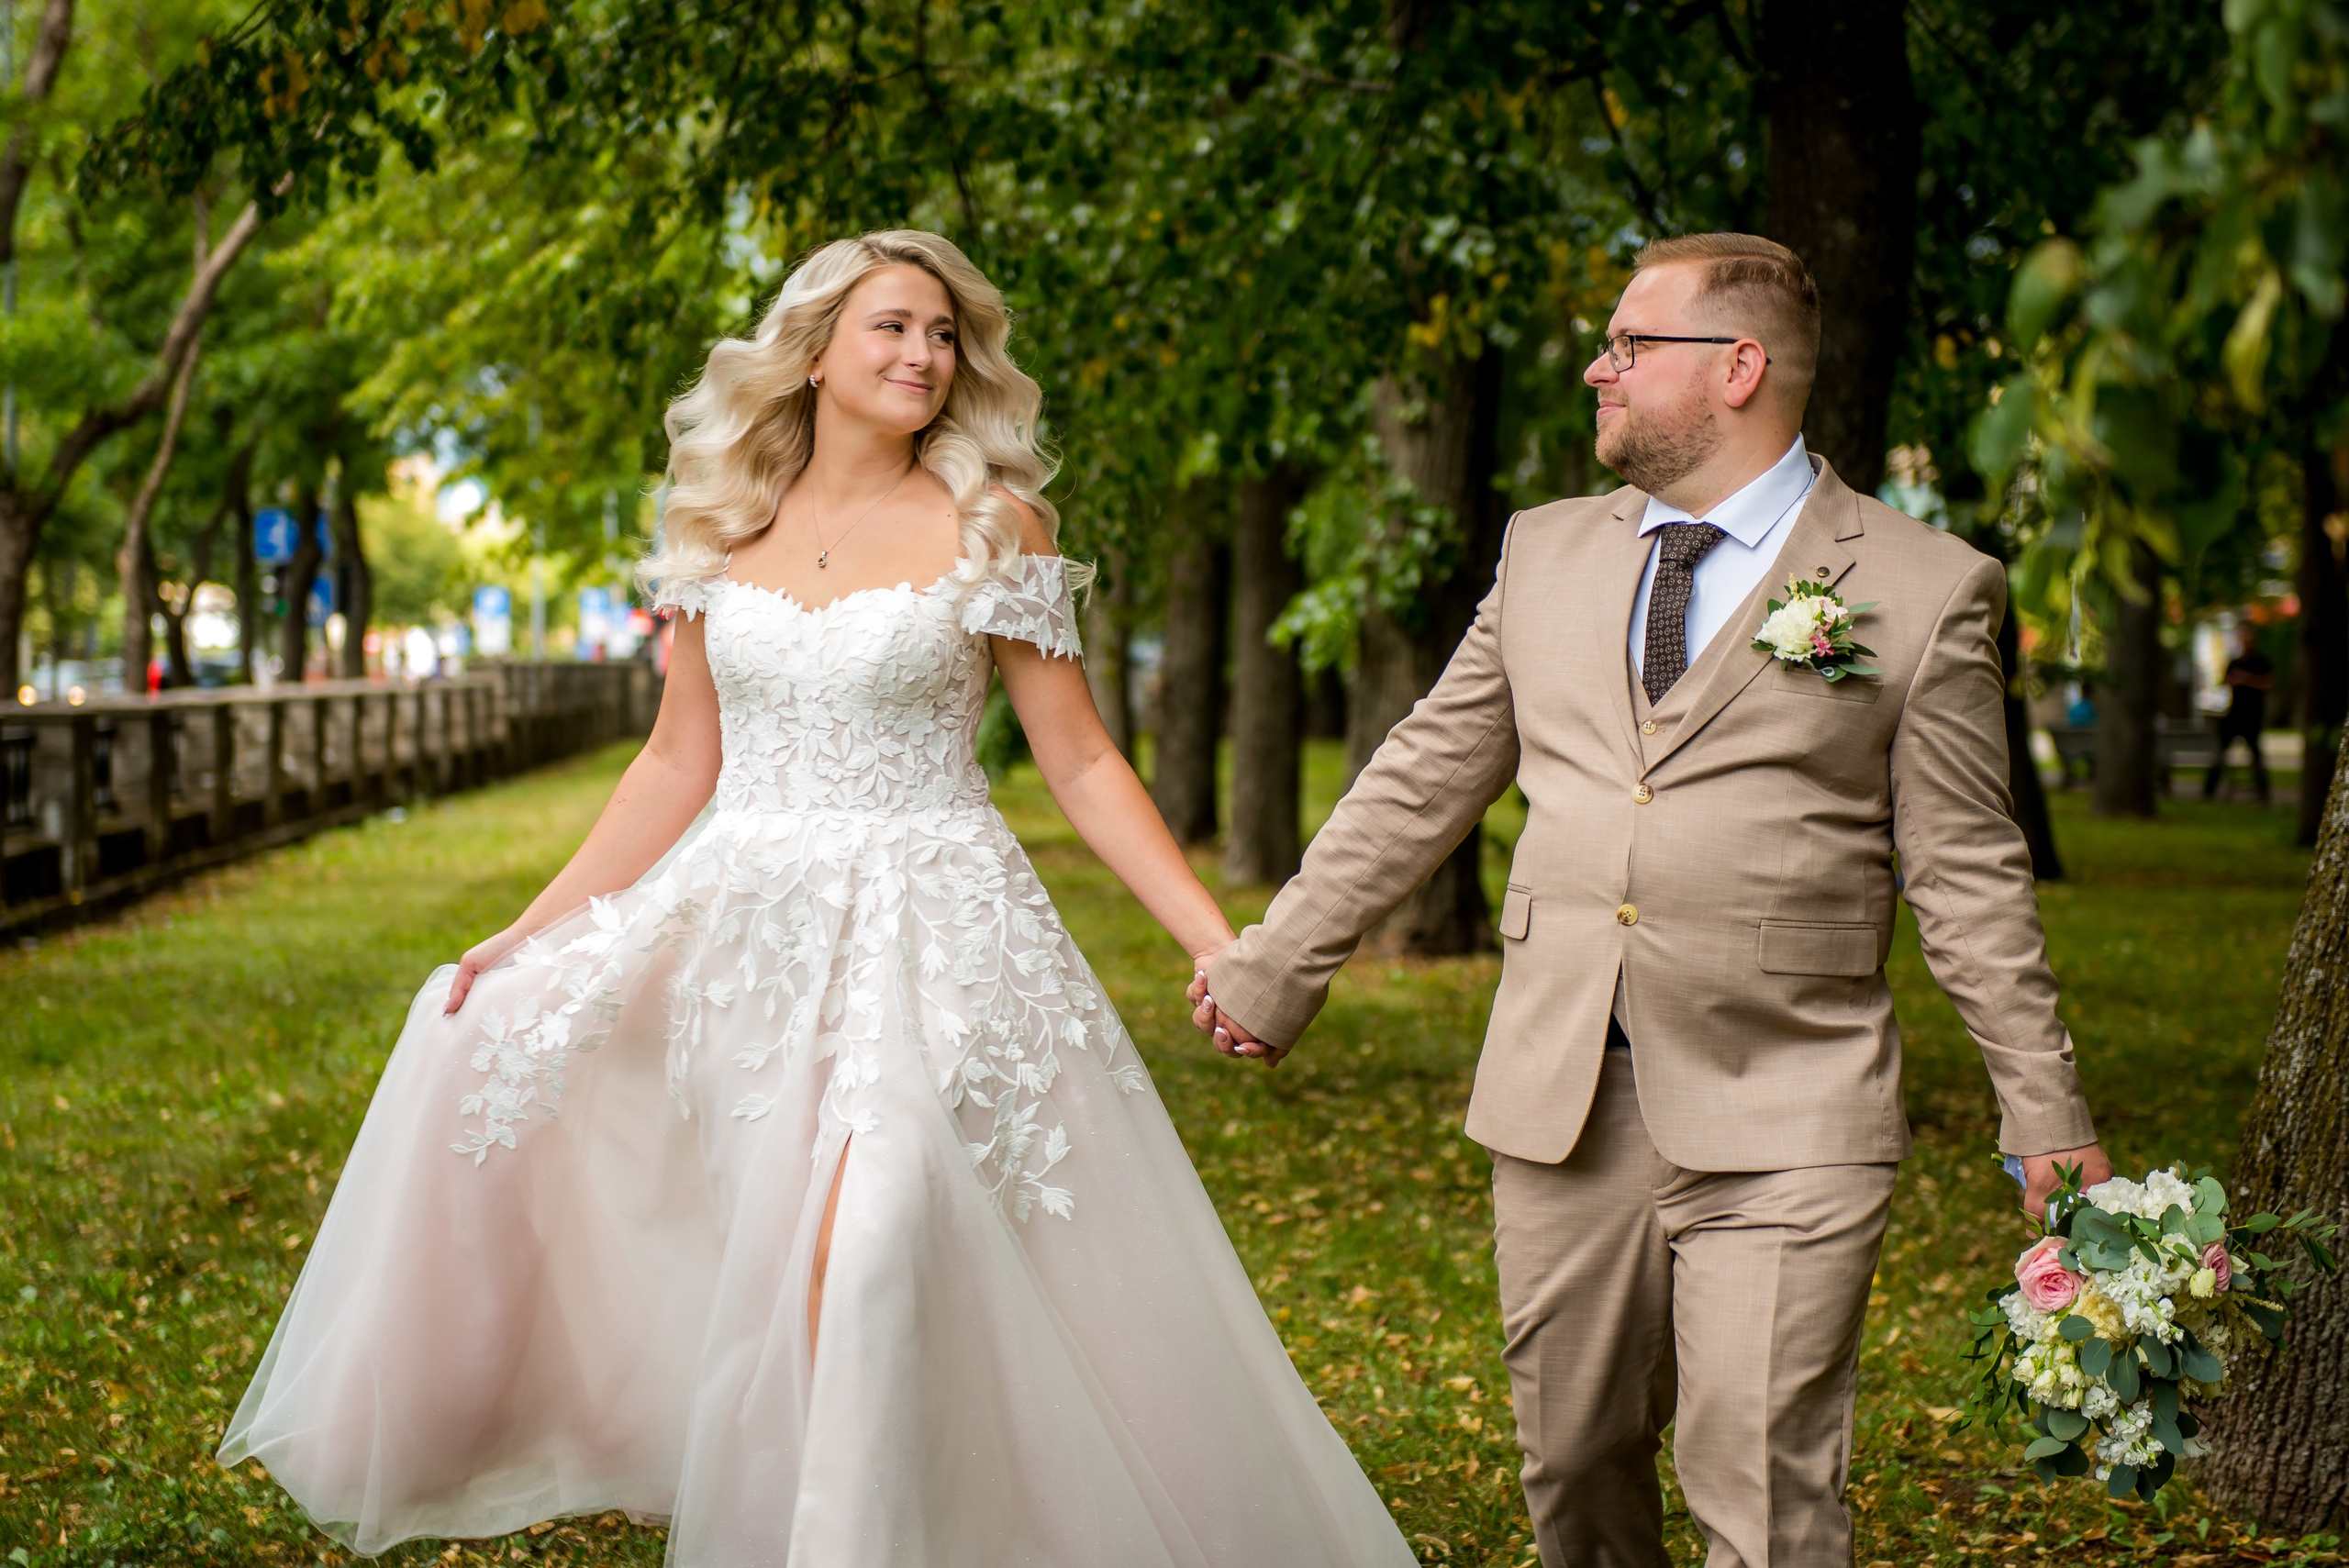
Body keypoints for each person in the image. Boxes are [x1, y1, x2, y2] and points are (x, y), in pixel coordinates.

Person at [220, 231, 1415, 1568]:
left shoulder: (993, 526)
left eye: (944, 334)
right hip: (750, 943)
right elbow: (675, 762)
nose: (925, 354)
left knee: (882, 1232)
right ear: (813, 352)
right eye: (892, 326)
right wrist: (529, 930)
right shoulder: (720, 526)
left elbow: (1079, 757)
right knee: (773, 1255)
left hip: (936, 930)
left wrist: (1224, 944)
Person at [1190, 233, 2112, 1568]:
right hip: (1562, 1095)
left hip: (1789, 1098)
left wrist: (2047, 1112)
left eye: (1629, 344)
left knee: (1764, 1490)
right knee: (1574, 1466)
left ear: (1737, 367)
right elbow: (1424, 774)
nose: (1596, 368)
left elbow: (1968, 873)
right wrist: (1281, 961)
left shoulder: (1923, 587)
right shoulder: (1547, 551)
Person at [2203, 623, 2274, 803]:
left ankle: (2263, 792)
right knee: (2220, 754)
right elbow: (2225, 682)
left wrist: (2247, 680)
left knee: (2256, 757)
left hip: (2253, 716)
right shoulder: (2235, 662)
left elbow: (2268, 684)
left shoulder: (2261, 662)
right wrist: (2234, 681)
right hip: (2234, 714)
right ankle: (2208, 791)